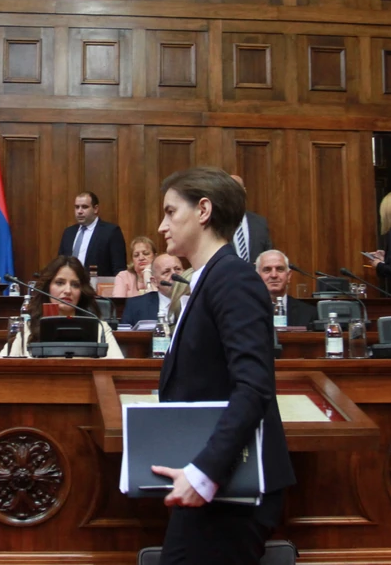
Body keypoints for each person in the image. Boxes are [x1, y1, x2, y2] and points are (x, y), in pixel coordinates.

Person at [152, 167, 295, 564]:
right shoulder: (205, 278)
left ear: (203, 210)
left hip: (230, 487)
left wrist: (204, 472)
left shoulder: (233, 277)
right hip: (213, 482)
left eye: (170, 212)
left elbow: (254, 387)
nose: (162, 226)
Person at [0, 256, 123, 359]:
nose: (68, 290)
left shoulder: (99, 328)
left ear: (82, 291)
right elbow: (3, 365)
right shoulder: (28, 328)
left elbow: (117, 368)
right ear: (48, 287)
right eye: (60, 283)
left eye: (75, 285)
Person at [57, 191, 127, 277]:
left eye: (84, 207)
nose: (79, 211)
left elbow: (119, 269)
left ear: (95, 209)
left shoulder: (111, 232)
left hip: (99, 284)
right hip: (70, 283)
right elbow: (60, 264)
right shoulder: (69, 233)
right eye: (77, 207)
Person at [255, 250, 316, 328]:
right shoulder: (246, 311)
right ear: (257, 276)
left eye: (280, 269)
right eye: (267, 270)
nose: (274, 275)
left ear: (289, 276)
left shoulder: (308, 312)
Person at [121, 253, 183, 327]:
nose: (174, 275)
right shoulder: (135, 305)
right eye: (166, 272)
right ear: (154, 281)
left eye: (178, 269)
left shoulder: (195, 301)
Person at [229, 175, 273, 263]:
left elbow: (268, 253)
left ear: (244, 191)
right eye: (229, 190)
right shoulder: (215, 223)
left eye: (237, 189)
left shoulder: (260, 223)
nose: (233, 193)